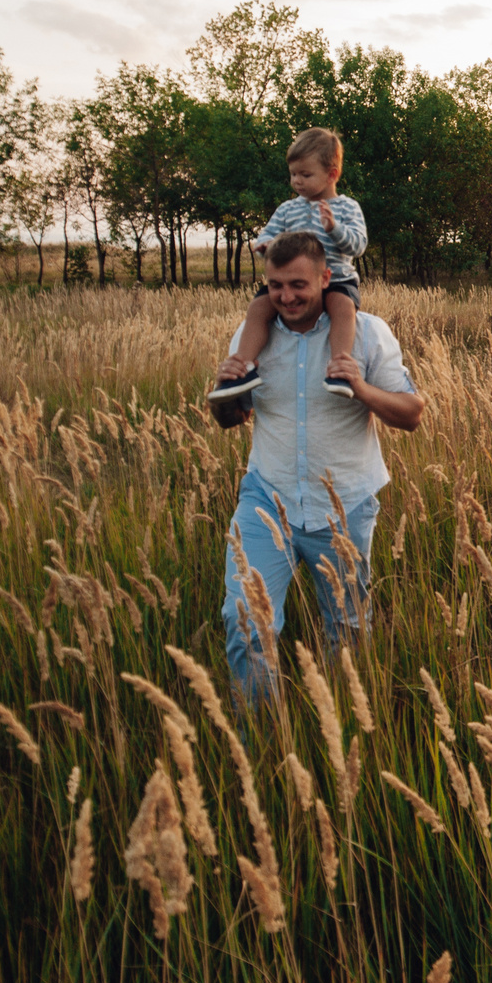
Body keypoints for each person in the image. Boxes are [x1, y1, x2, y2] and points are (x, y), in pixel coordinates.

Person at [208, 231, 423, 697]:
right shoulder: (252, 338)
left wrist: (361, 388)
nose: (285, 296)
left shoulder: (367, 334)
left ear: (327, 278)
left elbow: (412, 414)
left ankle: (343, 725)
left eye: (298, 285)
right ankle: (260, 741)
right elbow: (231, 419)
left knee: (347, 630)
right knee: (245, 620)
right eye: (275, 285)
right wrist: (224, 390)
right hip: (267, 500)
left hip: (343, 506)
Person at [209, 127, 369, 403]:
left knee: (343, 308)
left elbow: (357, 246)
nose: (297, 181)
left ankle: (339, 369)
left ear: (332, 174)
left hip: (338, 279)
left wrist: (334, 228)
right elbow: (267, 237)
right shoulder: (287, 209)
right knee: (258, 306)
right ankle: (242, 368)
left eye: (305, 175)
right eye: (293, 174)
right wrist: (264, 247)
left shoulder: (347, 208)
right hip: (292, 283)